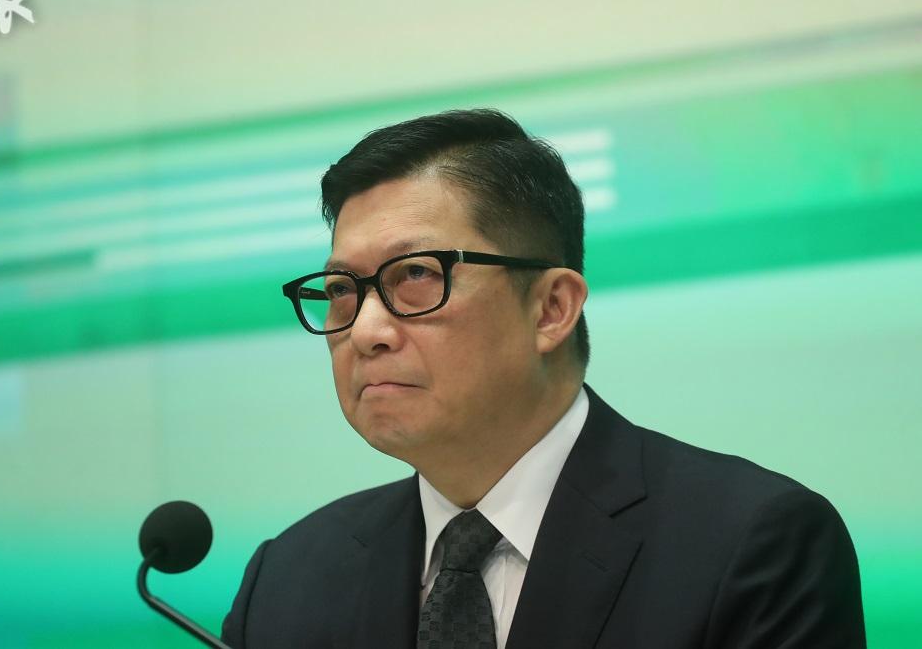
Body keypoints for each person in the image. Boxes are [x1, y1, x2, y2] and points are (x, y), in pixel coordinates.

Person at [221, 109, 865, 648]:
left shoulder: (749, 546)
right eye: (341, 289)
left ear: (552, 309)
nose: (366, 330)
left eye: (415, 274)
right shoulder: (288, 579)